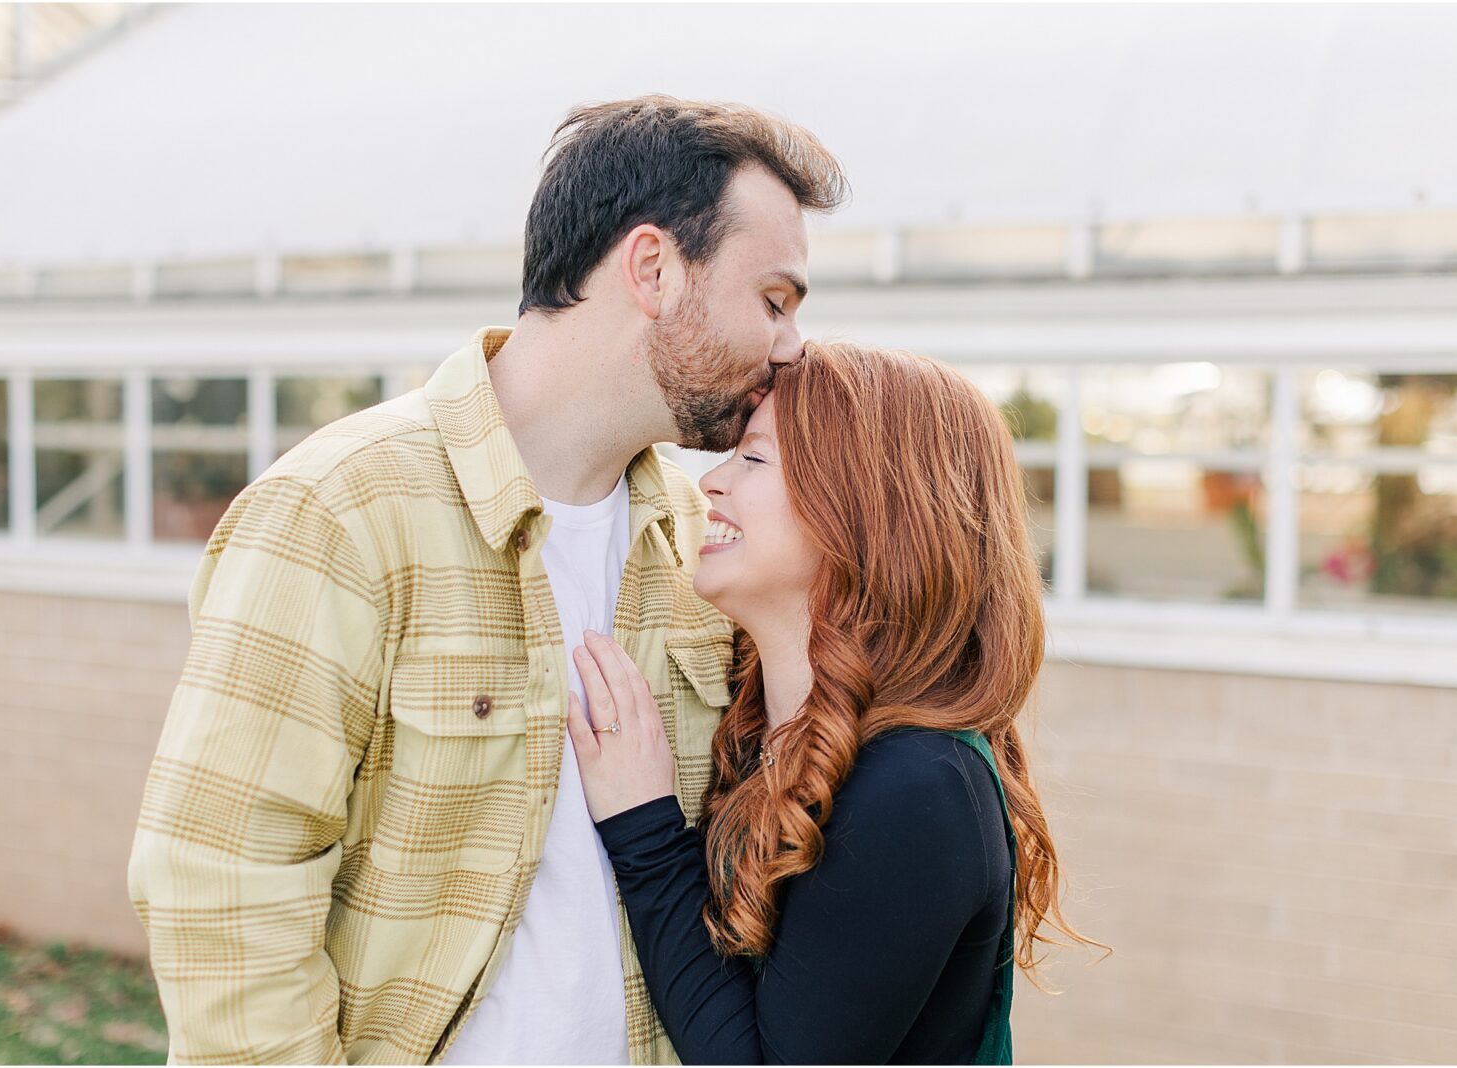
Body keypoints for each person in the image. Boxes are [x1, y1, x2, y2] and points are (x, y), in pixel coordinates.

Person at [127, 95, 846, 1064]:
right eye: (773, 300)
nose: (791, 345)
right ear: (653, 268)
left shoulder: (701, 540)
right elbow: (222, 888)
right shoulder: (340, 510)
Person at [568, 341, 1111, 1064]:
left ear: (865, 513)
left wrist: (644, 829)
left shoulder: (920, 787)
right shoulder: (771, 731)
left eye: (754, 459)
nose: (711, 486)